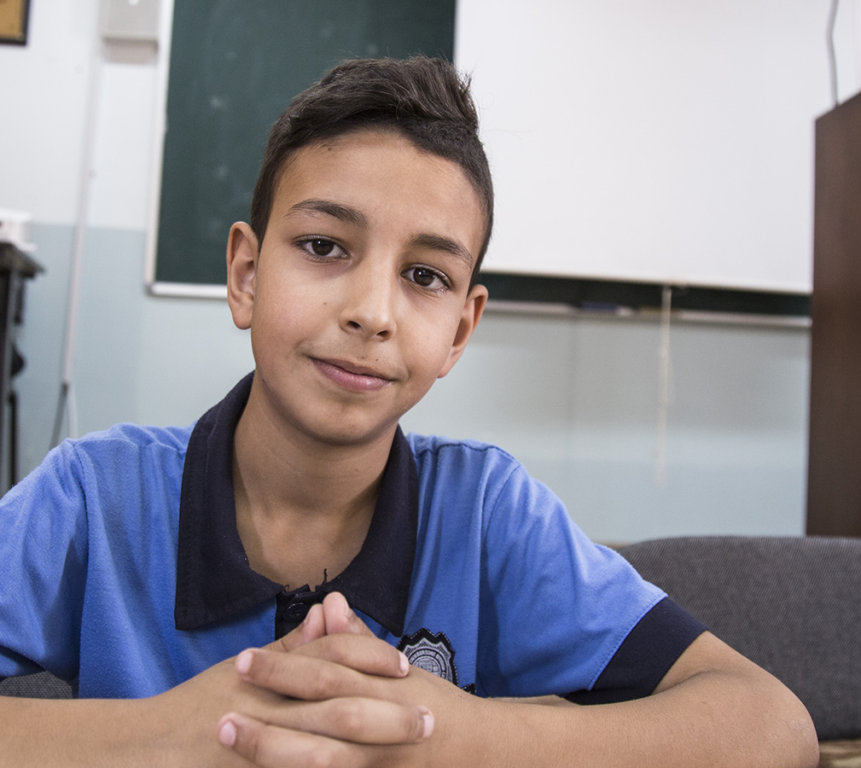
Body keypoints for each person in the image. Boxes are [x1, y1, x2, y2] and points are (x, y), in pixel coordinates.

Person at [0, 57, 818, 767]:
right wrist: (176, 738)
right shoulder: (95, 496)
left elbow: (773, 727)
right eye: (324, 246)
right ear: (247, 275)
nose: (372, 312)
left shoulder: (487, 513)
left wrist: (459, 741)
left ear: (460, 329)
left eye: (425, 276)